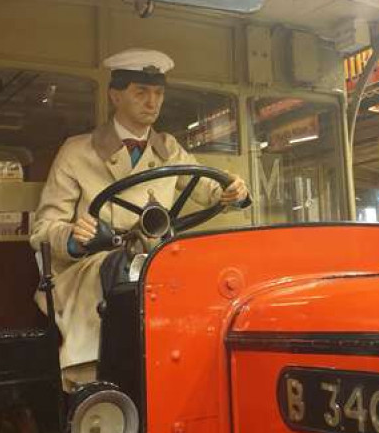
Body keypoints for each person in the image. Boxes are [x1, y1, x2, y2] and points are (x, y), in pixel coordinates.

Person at [31, 49, 248, 388]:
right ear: (115, 95)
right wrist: (72, 236)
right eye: (141, 92)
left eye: (158, 93)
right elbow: (43, 230)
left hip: (156, 261)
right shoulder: (76, 151)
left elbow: (209, 187)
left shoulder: (169, 150)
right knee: (121, 269)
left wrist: (235, 191)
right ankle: (94, 381)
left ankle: (204, 367)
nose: (153, 102)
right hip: (91, 267)